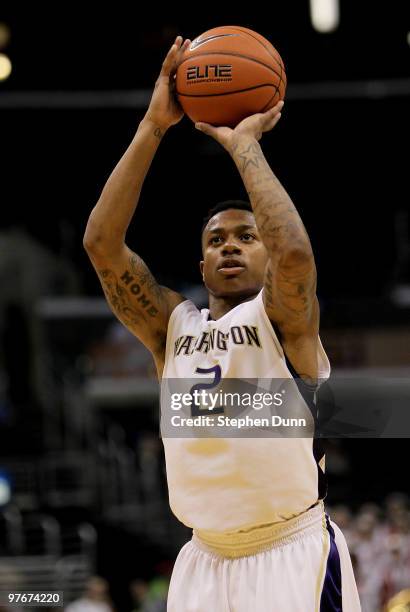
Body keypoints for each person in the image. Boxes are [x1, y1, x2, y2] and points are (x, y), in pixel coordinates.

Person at [84, 36, 361, 611]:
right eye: (216, 240)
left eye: (246, 236)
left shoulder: (284, 319)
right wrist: (153, 125)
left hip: (290, 554)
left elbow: (297, 259)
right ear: (201, 263)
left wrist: (243, 146)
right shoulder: (171, 328)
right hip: (203, 560)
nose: (230, 247)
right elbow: (102, 245)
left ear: (265, 254)